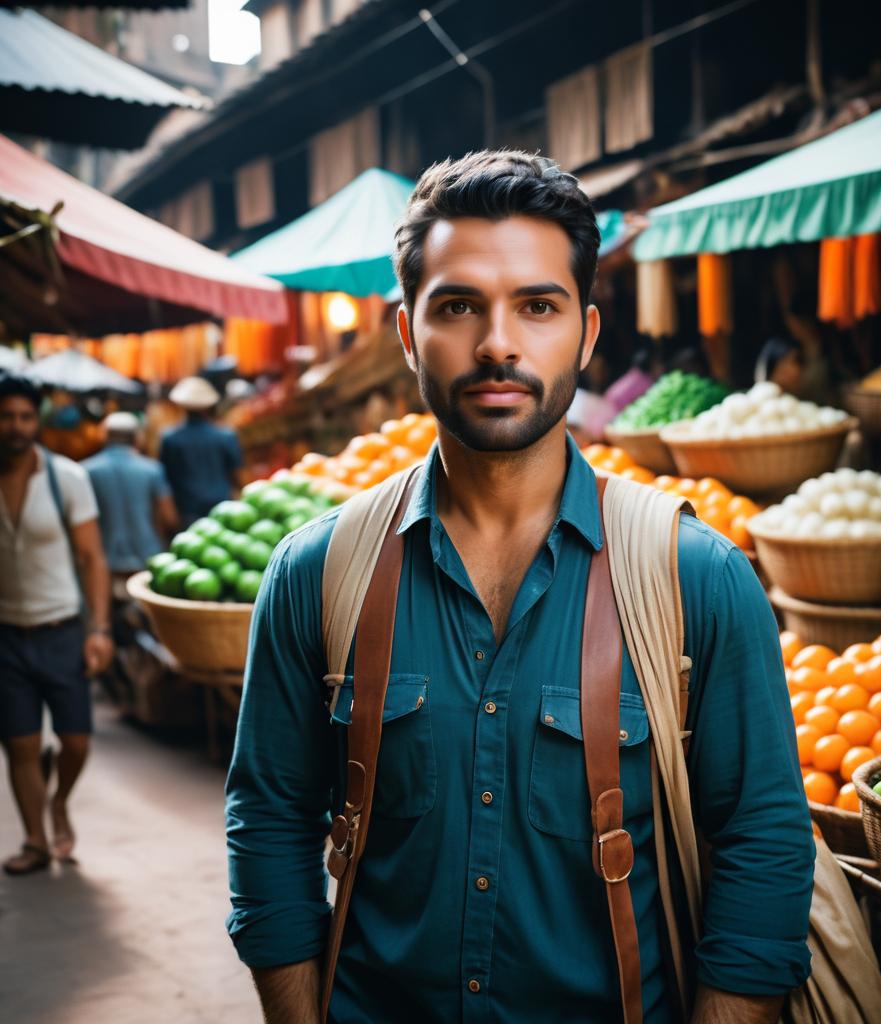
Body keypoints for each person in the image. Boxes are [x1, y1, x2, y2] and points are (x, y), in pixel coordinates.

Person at [225, 152, 814, 1023]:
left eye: (538, 306)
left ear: (585, 333)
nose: (498, 342)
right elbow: (269, 818)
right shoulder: (316, 574)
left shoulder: (699, 580)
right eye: (458, 306)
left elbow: (762, 847)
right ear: (405, 333)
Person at [0, 373, 113, 874]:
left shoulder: (67, 478)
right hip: (6, 635)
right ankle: (35, 840)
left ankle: (60, 799)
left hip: (63, 628)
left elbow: (92, 558)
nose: (16, 427)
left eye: (25, 417)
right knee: (20, 743)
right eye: (6, 417)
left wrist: (100, 629)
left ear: (36, 421)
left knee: (75, 741)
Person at [84, 412, 179, 586]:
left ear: (104, 437)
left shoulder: (85, 471)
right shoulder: (153, 470)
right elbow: (169, 517)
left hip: (104, 564)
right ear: (137, 438)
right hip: (147, 561)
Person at [159, 376, 243, 526]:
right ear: (208, 406)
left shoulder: (170, 438)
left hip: (187, 510)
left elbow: (166, 477)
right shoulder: (226, 436)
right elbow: (237, 474)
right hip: (223, 507)